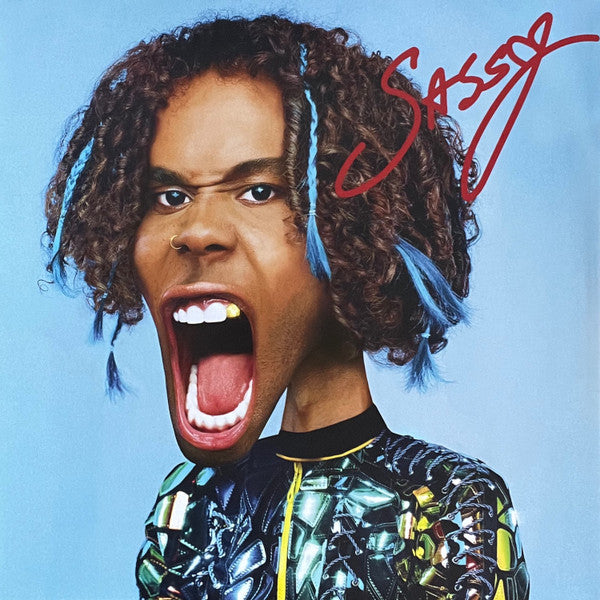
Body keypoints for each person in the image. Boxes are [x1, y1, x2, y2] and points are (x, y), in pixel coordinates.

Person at [44, 15, 529, 600]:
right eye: (169, 196)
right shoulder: (189, 509)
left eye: (258, 191)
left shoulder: (447, 503)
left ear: (358, 228)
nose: (196, 231)